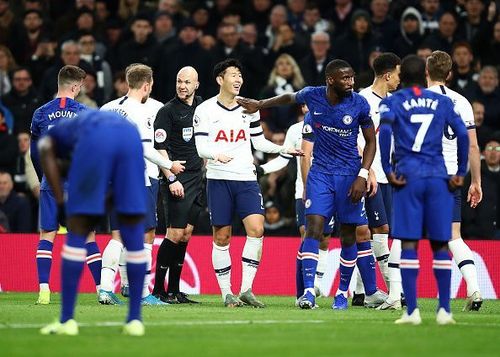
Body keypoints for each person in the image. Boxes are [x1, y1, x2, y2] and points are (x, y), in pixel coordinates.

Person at [237, 59, 379, 310]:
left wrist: (363, 173)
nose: (351, 82)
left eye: (352, 77)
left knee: (348, 235)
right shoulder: (313, 96)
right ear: (331, 80)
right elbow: (288, 97)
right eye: (345, 78)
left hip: (349, 176)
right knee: (313, 229)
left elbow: (370, 142)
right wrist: (260, 104)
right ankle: (308, 293)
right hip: (320, 175)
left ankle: (342, 293)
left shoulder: (359, 103)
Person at [194, 58, 302, 307]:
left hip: (246, 178)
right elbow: (200, 146)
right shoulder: (205, 110)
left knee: (257, 229)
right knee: (222, 237)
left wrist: (283, 148)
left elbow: (258, 142)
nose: (238, 79)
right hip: (219, 178)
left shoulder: (248, 108)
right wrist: (215, 155)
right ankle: (226, 293)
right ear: (220, 79)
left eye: (240, 75)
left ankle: (246, 289)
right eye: (233, 75)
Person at [38, 110, 148, 336]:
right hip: (131, 138)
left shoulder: (64, 130)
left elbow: (43, 148)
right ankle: (135, 321)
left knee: (77, 232)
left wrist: (60, 201)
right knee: (133, 233)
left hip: (96, 140)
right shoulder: (98, 122)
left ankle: (67, 320)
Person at [379, 55, 469, 325]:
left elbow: (384, 132)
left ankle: (413, 311)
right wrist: (461, 172)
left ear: (401, 75)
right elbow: (463, 134)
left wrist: (387, 168)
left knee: (409, 243)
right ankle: (444, 311)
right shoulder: (443, 101)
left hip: (409, 178)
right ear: (427, 73)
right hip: (439, 177)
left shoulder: (392, 101)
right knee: (441, 243)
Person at [99, 63, 184, 306]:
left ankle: (109, 288)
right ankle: (142, 291)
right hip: (138, 177)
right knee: (147, 233)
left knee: (118, 233)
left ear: (128, 82)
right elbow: (146, 148)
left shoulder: (108, 108)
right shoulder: (143, 112)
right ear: (147, 85)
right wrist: (171, 167)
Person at [30, 65, 102, 305]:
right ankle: (102, 290)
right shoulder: (84, 112)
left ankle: (43, 290)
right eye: (80, 86)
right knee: (88, 235)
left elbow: (34, 153)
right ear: (74, 86)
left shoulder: (40, 113)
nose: (80, 89)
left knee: (47, 234)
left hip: (51, 181)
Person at [426, 50, 483, 311]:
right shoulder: (462, 102)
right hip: (451, 177)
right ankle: (474, 288)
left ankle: (396, 294)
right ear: (449, 74)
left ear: (427, 72)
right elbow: (472, 147)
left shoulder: (418, 100)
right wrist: (476, 182)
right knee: (453, 236)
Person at [257, 105, 334, 301]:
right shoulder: (294, 130)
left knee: (324, 239)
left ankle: (316, 283)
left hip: (330, 190)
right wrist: (262, 170)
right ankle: (305, 289)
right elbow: (284, 159)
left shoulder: (333, 125)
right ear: (303, 107)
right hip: (304, 191)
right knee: (306, 235)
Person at [152, 66, 203, 304]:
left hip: (198, 177)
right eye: (179, 81)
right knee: (174, 232)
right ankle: (158, 290)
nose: (182, 86)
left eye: (187, 82)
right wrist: (170, 177)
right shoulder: (167, 111)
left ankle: (174, 290)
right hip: (177, 178)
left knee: (187, 234)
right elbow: (159, 148)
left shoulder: (202, 107)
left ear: (196, 84)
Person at [355, 52, 402, 310]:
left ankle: (361, 292)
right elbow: (355, 139)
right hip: (369, 175)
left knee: (378, 233)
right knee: (380, 231)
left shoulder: (396, 102)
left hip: (390, 176)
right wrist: (367, 170)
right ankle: (395, 289)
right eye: (397, 74)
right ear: (387, 75)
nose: (399, 79)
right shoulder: (362, 100)